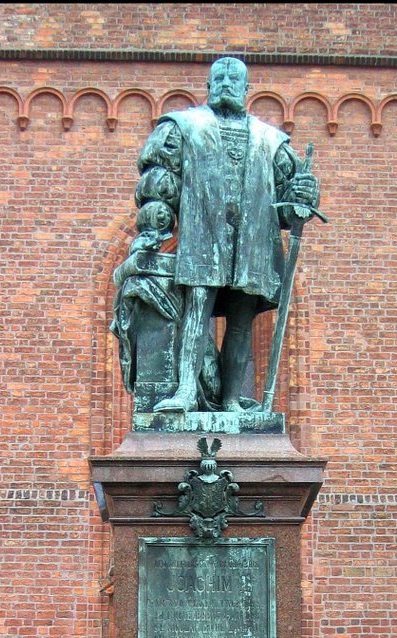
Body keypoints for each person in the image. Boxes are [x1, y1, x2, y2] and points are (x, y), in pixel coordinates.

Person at [126, 56, 321, 413]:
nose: (227, 84)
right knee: (196, 309)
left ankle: (230, 400)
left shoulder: (271, 141)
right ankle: (186, 390)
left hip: (252, 243)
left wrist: (304, 197)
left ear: (247, 90)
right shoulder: (185, 127)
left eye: (235, 80)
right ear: (209, 86)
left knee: (242, 322)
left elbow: (289, 203)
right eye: (219, 79)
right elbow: (160, 185)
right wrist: (154, 230)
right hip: (204, 234)